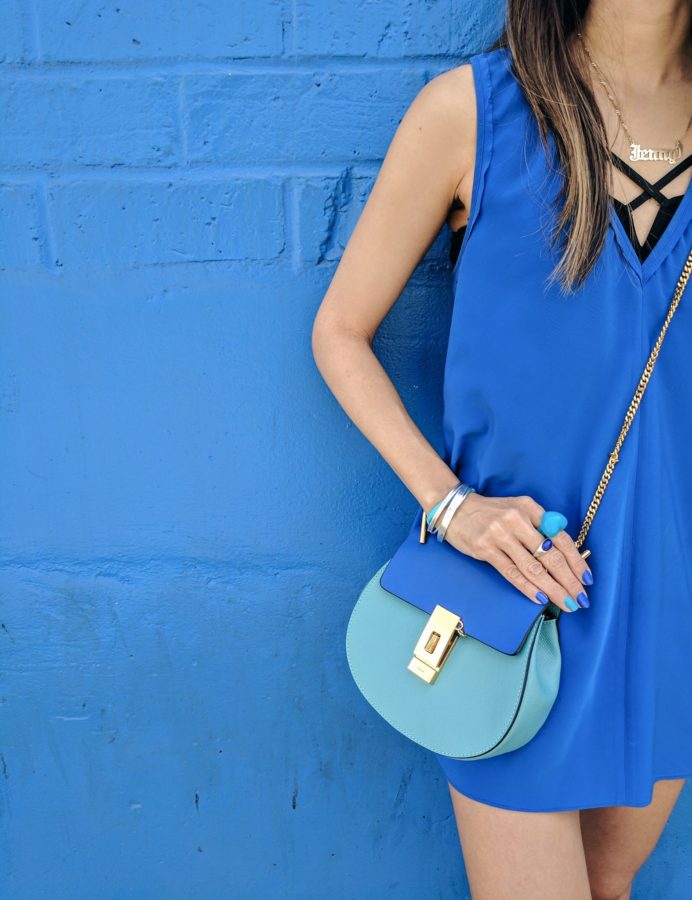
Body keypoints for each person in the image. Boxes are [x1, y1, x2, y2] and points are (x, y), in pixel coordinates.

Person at [311, 0, 692, 896]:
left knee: (609, 884)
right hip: (510, 610)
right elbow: (340, 333)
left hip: (672, 602)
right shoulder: (471, 113)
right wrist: (453, 510)